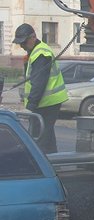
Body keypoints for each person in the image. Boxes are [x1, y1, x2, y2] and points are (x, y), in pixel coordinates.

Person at [12, 23, 68, 154]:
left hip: (48, 103)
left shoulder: (41, 54)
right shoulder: (35, 52)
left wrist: (30, 106)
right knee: (46, 136)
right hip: (47, 102)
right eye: (20, 43)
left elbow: (39, 82)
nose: (22, 46)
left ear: (33, 37)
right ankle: (53, 163)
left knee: (39, 138)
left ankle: (42, 169)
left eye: (24, 42)